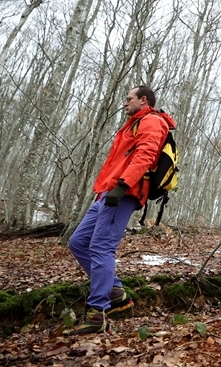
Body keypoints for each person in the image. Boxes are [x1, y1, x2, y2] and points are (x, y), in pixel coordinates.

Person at [66, 86, 176, 335]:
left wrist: (123, 185)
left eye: (129, 99)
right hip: (108, 191)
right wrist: (106, 189)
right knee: (78, 242)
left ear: (143, 100)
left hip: (123, 192)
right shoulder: (133, 124)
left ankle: (97, 314)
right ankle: (114, 290)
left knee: (101, 247)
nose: (125, 103)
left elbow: (146, 155)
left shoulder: (151, 121)